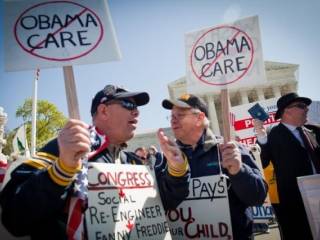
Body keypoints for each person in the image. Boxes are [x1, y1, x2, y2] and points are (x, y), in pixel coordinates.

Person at [0, 85, 190, 240]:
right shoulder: (63, 149)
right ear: (103, 110)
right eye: (128, 105)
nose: (137, 112)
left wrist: (177, 170)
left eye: (137, 107)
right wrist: (62, 170)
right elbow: (14, 218)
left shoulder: (133, 162)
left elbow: (162, 205)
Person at [160, 93, 268, 240]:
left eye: (180, 115)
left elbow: (258, 197)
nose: (173, 120)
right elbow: (162, 204)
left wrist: (239, 171)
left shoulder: (229, 149)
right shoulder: (168, 157)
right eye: (171, 116)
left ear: (199, 118)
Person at [253, 92, 320, 240]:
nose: (307, 109)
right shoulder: (272, 134)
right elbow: (262, 162)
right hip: (294, 203)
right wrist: (262, 139)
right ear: (287, 111)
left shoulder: (314, 131)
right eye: (302, 106)